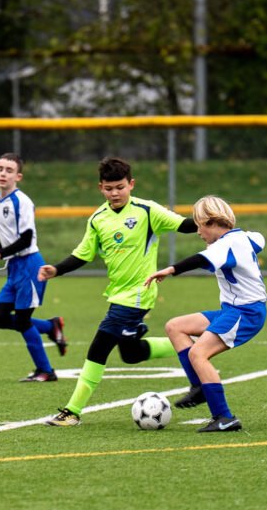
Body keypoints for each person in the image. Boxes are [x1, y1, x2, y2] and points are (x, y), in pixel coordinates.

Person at [39, 157, 197, 426]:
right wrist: (57, 269)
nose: (115, 193)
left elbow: (185, 225)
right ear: (100, 187)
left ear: (131, 184)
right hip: (117, 294)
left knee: (99, 348)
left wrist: (211, 218)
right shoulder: (97, 219)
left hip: (139, 294)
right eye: (109, 188)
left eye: (120, 187)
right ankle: (187, 343)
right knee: (131, 353)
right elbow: (82, 254)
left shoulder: (147, 210)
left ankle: (72, 411)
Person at [143, 195, 267, 432]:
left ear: (212, 222)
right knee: (175, 326)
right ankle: (199, 387)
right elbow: (259, 239)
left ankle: (224, 417)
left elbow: (200, 259)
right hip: (233, 310)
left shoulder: (225, 245)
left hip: (246, 312)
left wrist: (170, 269)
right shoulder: (245, 237)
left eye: (200, 226)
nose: (198, 232)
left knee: (198, 353)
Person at [0, 153, 68, 382]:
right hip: (14, 268)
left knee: (22, 321)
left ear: (18, 176)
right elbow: (9, 238)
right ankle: (51, 326)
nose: (3, 173)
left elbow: (26, 239)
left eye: (9, 170)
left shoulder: (22, 201)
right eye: (0, 169)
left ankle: (46, 371)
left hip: (30, 266)